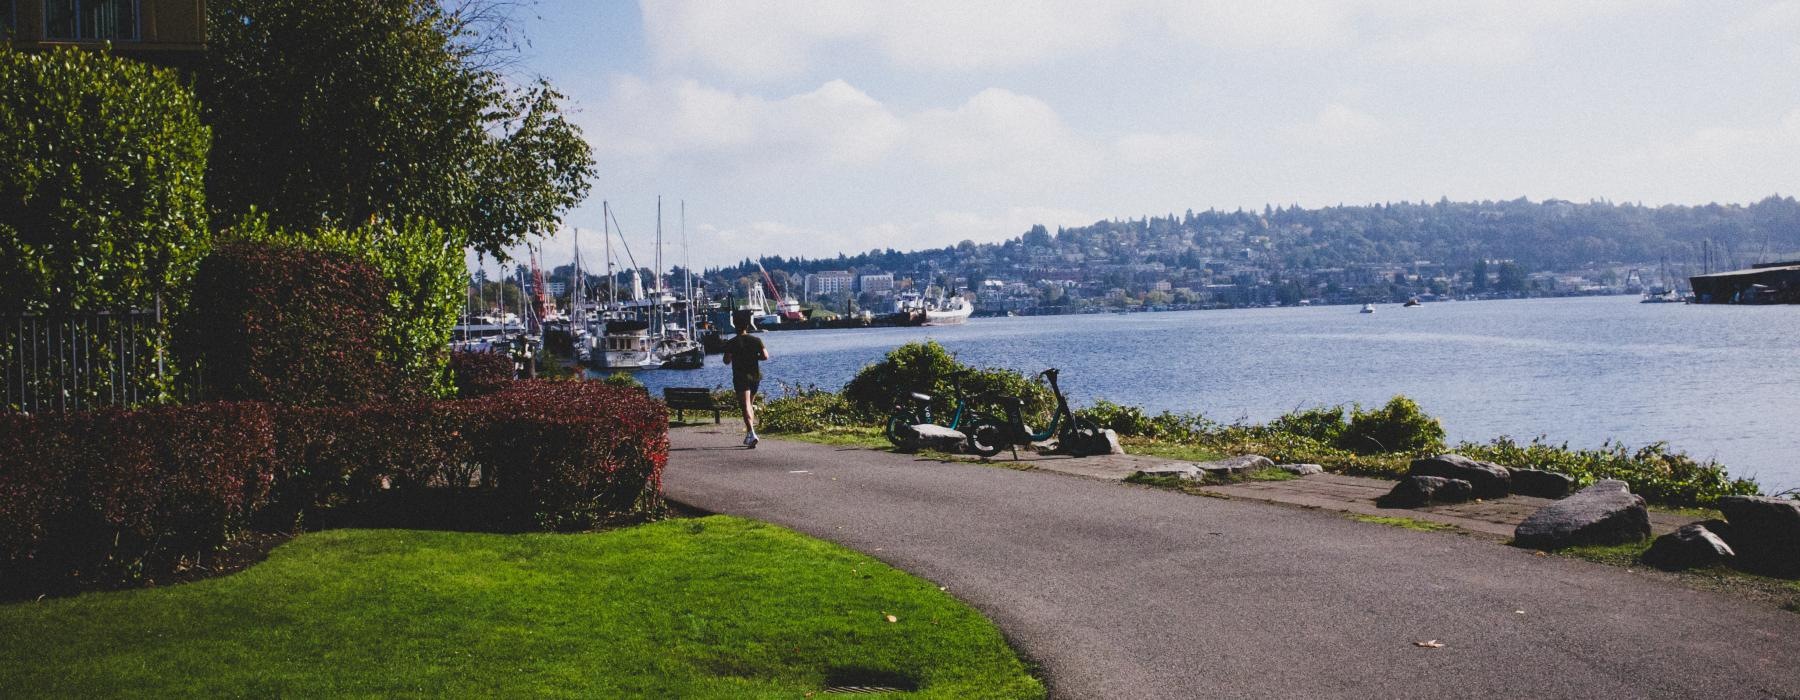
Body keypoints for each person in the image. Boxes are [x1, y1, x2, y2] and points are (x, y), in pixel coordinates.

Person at [722, 310, 769, 448]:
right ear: (747, 326)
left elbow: (726, 361)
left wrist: (733, 356)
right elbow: (765, 356)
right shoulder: (756, 340)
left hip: (740, 376)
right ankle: (749, 434)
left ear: (735, 326)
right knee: (750, 404)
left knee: (745, 406)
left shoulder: (731, 342)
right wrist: (754, 357)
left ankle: (751, 432)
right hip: (755, 375)